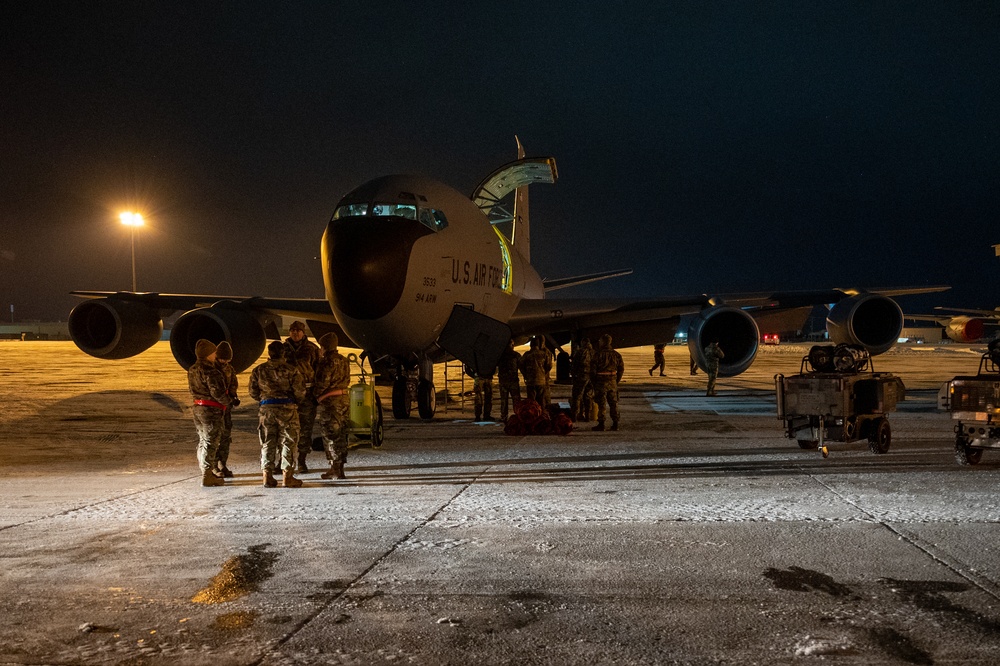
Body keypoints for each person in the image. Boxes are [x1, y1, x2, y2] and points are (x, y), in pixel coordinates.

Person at [250, 340, 307, 488]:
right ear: (283, 353)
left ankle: (267, 476)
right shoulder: (291, 370)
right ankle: (287, 476)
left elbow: (253, 392)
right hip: (287, 409)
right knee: (288, 441)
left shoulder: (259, 370)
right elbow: (300, 392)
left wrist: (265, 399)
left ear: (269, 353)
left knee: (268, 442)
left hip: (266, 409)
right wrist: (293, 401)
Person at [187, 339, 231, 487]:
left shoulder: (192, 369)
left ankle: (205, 470)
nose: (215, 355)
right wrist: (228, 401)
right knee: (211, 441)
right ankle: (207, 474)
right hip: (211, 409)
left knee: (202, 440)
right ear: (208, 354)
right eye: (213, 353)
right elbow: (217, 392)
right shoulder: (211, 371)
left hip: (197, 407)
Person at [312, 332, 352, 480]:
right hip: (343, 401)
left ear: (324, 347)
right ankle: (338, 467)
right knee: (341, 435)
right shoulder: (343, 360)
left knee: (330, 436)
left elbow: (322, 383)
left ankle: (336, 469)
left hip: (330, 403)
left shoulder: (326, 362)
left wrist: (315, 396)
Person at [283, 321, 320, 472]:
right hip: (287, 396)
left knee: (305, 430)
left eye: (298, 331)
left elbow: (319, 370)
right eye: (292, 330)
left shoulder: (312, 349)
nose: (295, 333)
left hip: (307, 396)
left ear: (303, 332)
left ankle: (302, 460)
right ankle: (285, 461)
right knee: (286, 430)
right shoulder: (283, 349)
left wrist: (316, 394)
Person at [214, 341, 240, 478]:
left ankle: (222, 463)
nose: (224, 361)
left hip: (226, 408)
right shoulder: (212, 370)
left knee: (225, 437)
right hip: (215, 408)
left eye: (227, 359)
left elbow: (234, 383)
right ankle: (213, 466)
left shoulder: (229, 369)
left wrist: (233, 396)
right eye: (222, 359)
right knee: (214, 437)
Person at [590, 334, 624, 431]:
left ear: (603, 342)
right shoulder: (616, 354)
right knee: (613, 403)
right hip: (612, 381)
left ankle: (601, 424)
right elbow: (621, 369)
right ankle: (615, 423)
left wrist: (594, 383)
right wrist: (616, 381)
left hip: (601, 382)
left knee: (602, 404)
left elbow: (592, 371)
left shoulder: (597, 354)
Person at [519, 337, 552, 407]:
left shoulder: (527, 355)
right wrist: (543, 373)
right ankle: (542, 415)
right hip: (541, 381)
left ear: (531, 345)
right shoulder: (544, 354)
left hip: (530, 381)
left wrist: (525, 375)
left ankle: (532, 415)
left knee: (531, 402)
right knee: (541, 400)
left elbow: (520, 365)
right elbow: (549, 366)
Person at [496, 339, 522, 422]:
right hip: (513, 381)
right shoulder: (516, 355)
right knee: (516, 400)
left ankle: (504, 416)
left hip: (504, 381)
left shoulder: (500, 356)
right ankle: (518, 415)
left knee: (504, 400)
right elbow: (521, 366)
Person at [570, 337, 594, 421]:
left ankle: (574, 416)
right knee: (588, 396)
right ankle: (587, 416)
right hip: (591, 377)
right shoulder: (593, 352)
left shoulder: (580, 352)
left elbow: (574, 364)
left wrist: (573, 375)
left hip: (581, 376)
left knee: (577, 396)